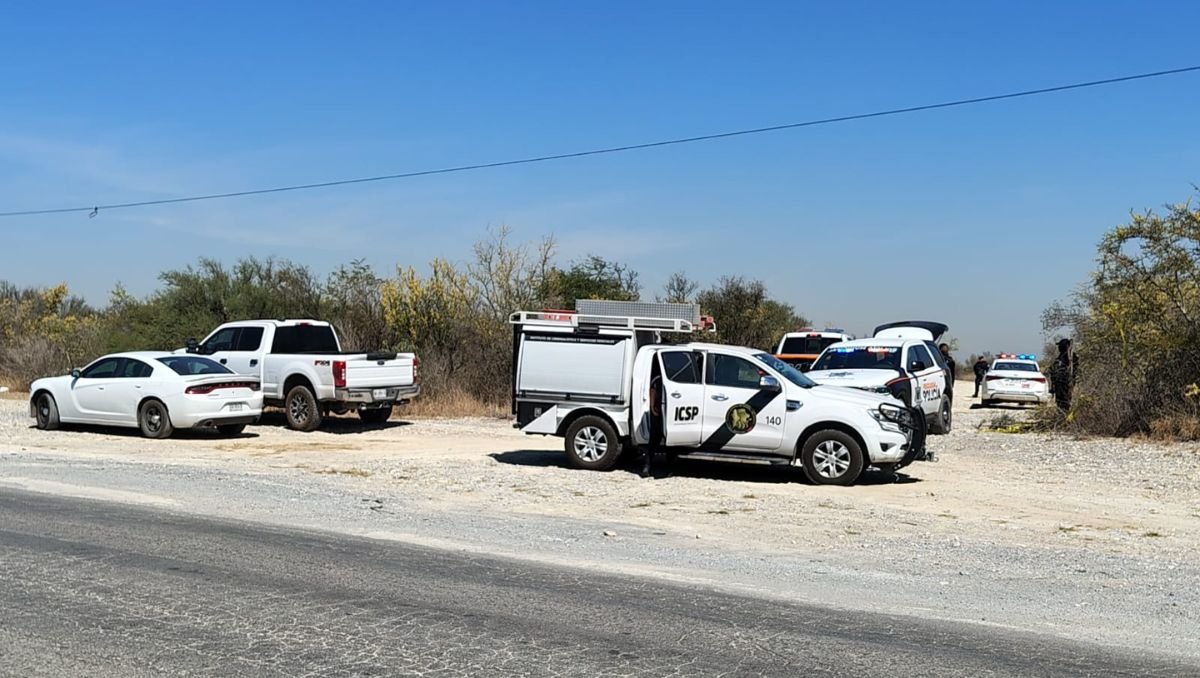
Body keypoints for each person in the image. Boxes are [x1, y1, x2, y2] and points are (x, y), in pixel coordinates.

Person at [1050, 338, 1074, 411]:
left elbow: (1073, 370)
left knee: (1064, 401)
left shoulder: (1069, 357)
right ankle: (1061, 414)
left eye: (1060, 346)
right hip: (1058, 383)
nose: (1058, 348)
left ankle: (1064, 414)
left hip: (1064, 383)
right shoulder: (1060, 356)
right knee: (1059, 402)